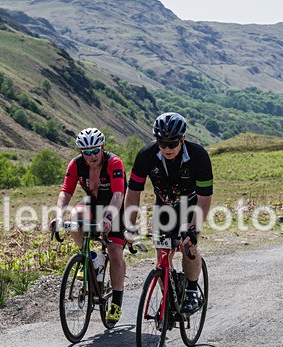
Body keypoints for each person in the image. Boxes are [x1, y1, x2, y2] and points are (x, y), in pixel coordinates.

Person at [124, 112, 213, 315]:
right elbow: (133, 192)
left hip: (191, 206)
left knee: (187, 245)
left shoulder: (198, 156)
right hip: (164, 207)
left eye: (172, 144)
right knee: (162, 254)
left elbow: (204, 198)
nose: (167, 149)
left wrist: (193, 229)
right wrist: (129, 224)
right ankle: (168, 300)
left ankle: (191, 290)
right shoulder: (146, 155)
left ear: (183, 139)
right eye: (162, 143)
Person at [54, 128, 127, 322]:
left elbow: (118, 195)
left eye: (95, 151)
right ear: (81, 152)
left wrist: (108, 219)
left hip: (115, 207)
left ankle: (116, 303)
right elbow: (66, 192)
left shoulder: (114, 162)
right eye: (87, 152)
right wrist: (59, 216)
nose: (92, 156)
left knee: (115, 252)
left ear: (102, 147)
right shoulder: (76, 164)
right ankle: (89, 257)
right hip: (93, 204)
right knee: (74, 216)